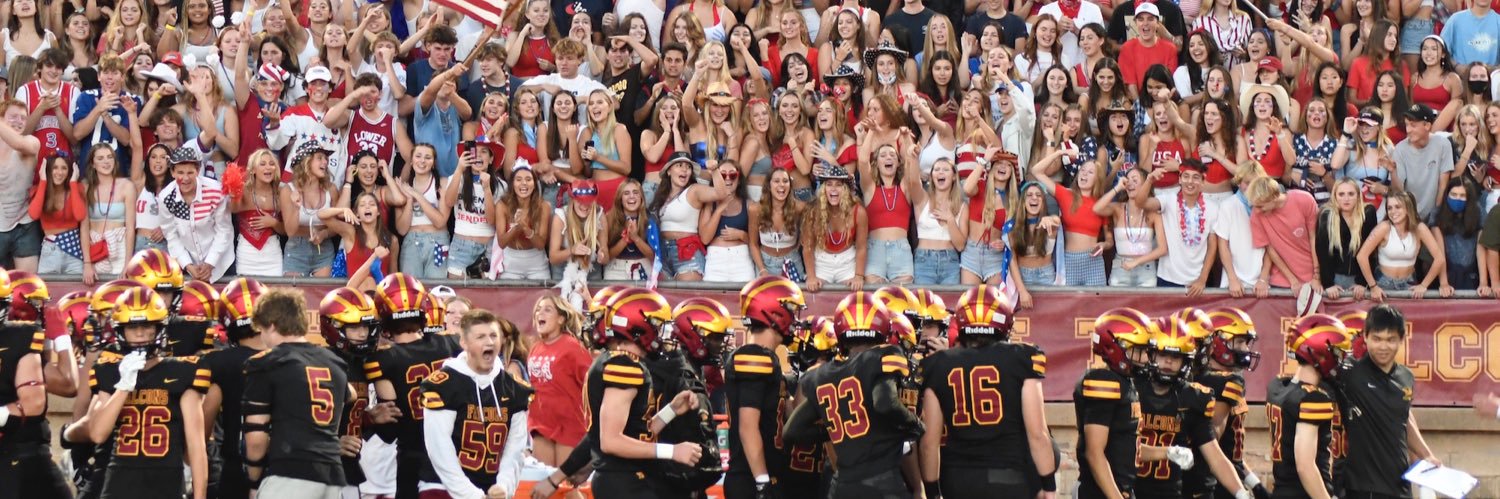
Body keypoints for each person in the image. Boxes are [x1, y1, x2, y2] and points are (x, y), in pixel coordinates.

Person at [918, 285, 1056, 499]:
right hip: (1009, 477)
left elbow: (930, 442)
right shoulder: (1022, 357)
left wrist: (932, 492)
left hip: (958, 479)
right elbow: (1038, 434)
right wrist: (1049, 486)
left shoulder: (937, 364)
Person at [782, 291, 922, 498]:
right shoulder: (885, 357)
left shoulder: (823, 374)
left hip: (843, 486)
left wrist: (835, 430)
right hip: (883, 482)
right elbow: (885, 403)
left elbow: (791, 432)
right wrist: (915, 425)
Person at [76, 286, 207, 499]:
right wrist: (123, 386)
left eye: (146, 326)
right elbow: (98, 433)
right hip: (119, 484)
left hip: (165, 484)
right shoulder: (109, 369)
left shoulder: (183, 371)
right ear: (120, 331)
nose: (139, 334)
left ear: (158, 328)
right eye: (131, 327)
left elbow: (196, 444)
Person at [585, 287, 703, 498]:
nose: (663, 334)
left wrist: (671, 411)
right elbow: (611, 440)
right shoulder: (624, 365)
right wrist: (672, 451)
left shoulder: (620, 361)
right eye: (657, 326)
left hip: (622, 477)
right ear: (639, 328)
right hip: (621, 478)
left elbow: (636, 431)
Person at [241, 288, 350, 498]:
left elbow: (256, 439)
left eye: (262, 330)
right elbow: (350, 395)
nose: (262, 337)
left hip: (290, 474)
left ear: (271, 325)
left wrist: (254, 481)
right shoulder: (335, 362)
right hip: (333, 475)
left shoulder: (266, 363)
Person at [420, 308, 534, 499]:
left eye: (493, 335)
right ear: (463, 342)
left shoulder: (514, 388)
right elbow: (439, 448)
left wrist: (504, 485)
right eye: (480, 336)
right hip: (442, 486)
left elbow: (516, 448)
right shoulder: (443, 385)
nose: (489, 342)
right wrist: (471, 494)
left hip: (491, 488)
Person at [364, 274, 460, 499]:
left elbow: (390, 425)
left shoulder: (382, 360)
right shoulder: (451, 343)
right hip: (458, 453)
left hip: (414, 456)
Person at [1136, 317, 1251, 499]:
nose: (1168, 362)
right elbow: (1122, 450)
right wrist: (1167, 452)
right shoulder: (1132, 392)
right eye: (1163, 355)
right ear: (1150, 354)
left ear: (1186, 361)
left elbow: (1215, 456)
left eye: (1175, 357)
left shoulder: (1192, 398)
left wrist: (1241, 493)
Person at [1338, 304, 1440, 499]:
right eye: (1376, 339)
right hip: (1363, 489)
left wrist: (1427, 455)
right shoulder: (1349, 374)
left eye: (1390, 340)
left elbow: (1404, 418)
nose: (1383, 347)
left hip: (1401, 486)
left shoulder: (1406, 377)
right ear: (1365, 337)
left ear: (1402, 339)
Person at [724, 275, 805, 498]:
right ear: (774, 312)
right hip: (751, 478)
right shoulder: (754, 357)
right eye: (791, 310)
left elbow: (787, 412)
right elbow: (748, 427)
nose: (794, 318)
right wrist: (762, 482)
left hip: (765, 473)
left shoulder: (767, 358)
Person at [1265, 314, 1351, 499]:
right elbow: (1305, 466)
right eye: (1337, 353)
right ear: (1320, 351)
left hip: (1281, 490)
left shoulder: (1278, 385)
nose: (1340, 360)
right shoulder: (1314, 397)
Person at [0, 272, 70, 498]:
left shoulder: (19, 337)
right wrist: (60, 338)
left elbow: (35, 403)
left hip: (19, 450)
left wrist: (54, 340)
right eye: (37, 303)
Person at [199, 277, 269, 499]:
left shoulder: (219, 363)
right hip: (285, 469)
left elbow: (203, 426)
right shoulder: (289, 358)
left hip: (237, 467)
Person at [1074, 307, 1154, 499]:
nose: (1145, 358)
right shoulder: (1105, 381)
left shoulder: (1125, 382)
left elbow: (1126, 448)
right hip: (1101, 493)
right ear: (1114, 348)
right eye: (1139, 351)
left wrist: (1169, 453)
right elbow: (1094, 452)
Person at [526, 294, 592, 467]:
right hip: (541, 423)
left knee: (566, 485)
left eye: (548, 310)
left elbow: (590, 384)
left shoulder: (573, 347)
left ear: (561, 318)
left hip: (570, 424)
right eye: (538, 309)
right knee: (542, 482)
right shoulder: (535, 348)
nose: (540, 313)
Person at [158, 147, 234, 283]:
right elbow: (171, 235)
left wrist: (210, 263)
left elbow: (224, 230)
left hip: (221, 265)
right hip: (189, 267)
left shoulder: (216, 191)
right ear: (172, 172)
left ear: (198, 171)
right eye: (180, 172)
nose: (185, 178)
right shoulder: (165, 198)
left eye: (190, 172)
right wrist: (187, 265)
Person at [1246, 176, 1319, 298]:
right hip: (1281, 280)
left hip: (1311, 276)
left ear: (1273, 197)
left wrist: (1317, 275)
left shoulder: (1304, 199)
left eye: (1260, 206)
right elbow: (1270, 249)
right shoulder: (1256, 215)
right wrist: (1292, 280)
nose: (1257, 211)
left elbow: (1314, 238)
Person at [1391, 103, 1454, 222]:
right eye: (1407, 125)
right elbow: (1398, 191)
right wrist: (1392, 171)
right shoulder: (1400, 149)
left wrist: (1435, 216)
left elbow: (1443, 185)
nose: (1408, 130)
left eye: (1413, 125)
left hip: (1435, 213)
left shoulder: (1443, 144)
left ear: (1427, 125)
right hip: (1408, 214)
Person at [1116, 2, 1179, 99]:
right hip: (1137, 101)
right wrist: (1140, 107)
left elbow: (1168, 82)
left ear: (1158, 24)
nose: (1145, 23)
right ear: (1135, 23)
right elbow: (1130, 84)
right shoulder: (1127, 48)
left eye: (1150, 19)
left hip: (1163, 99)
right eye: (1141, 19)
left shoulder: (1170, 49)